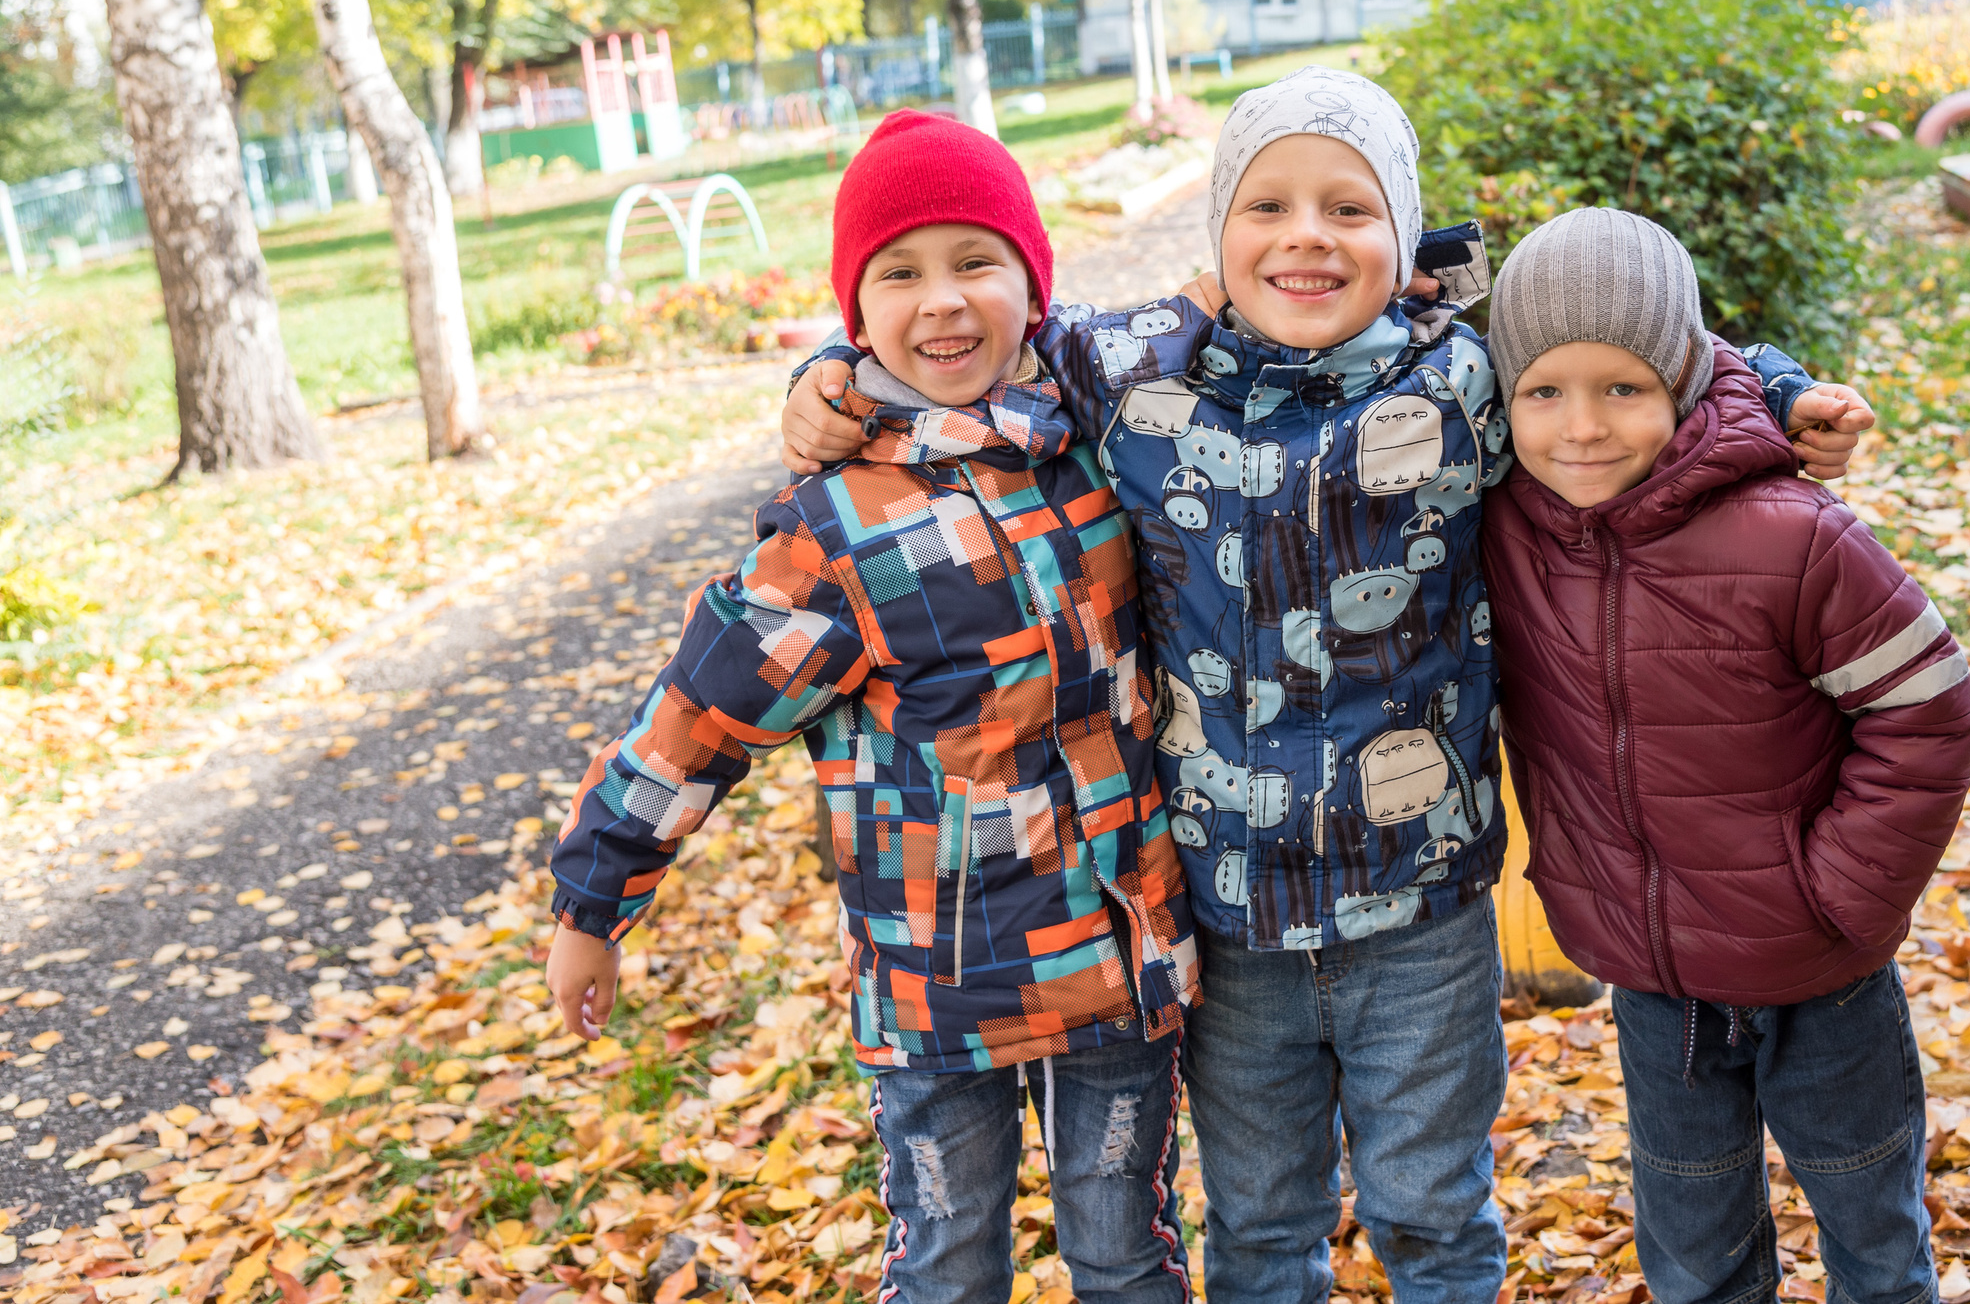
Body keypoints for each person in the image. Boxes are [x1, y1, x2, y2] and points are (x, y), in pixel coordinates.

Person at [781, 70, 1882, 1304]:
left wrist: (1778, 387)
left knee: (1432, 1209)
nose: (1307, 235)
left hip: (1422, 909)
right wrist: (832, 374)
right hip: (1227, 912)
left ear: (1402, 236)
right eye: (1269, 205)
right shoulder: (1131, 377)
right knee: (1258, 1227)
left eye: (1349, 209)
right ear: (1219, 231)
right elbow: (958, 330)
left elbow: (1631, 332)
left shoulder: (1463, 378)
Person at [545, 110, 1199, 1304]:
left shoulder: (1096, 445)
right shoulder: (835, 528)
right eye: (900, 272)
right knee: (947, 1264)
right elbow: (698, 712)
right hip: (935, 992)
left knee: (1130, 1255)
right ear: (856, 316)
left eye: (974, 263)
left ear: (1033, 288)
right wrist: (595, 894)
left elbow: (1227, 312)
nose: (942, 301)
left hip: (1115, 958)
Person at [1480, 206, 1970, 1304]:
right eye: (1544, 391)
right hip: (1654, 984)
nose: (1581, 427)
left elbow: (1929, 711)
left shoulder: (1794, 536)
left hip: (1820, 972)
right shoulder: (1503, 527)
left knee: (1872, 1234)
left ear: (1682, 381)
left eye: (1623, 387)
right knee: (1695, 1251)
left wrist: (1838, 894)